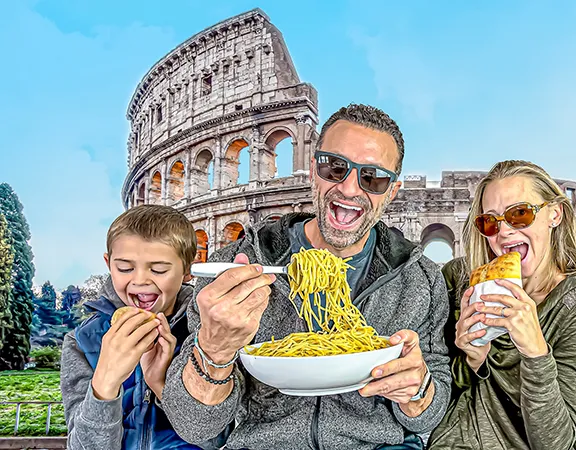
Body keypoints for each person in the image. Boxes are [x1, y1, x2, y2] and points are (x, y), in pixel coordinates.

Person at [161, 104, 451, 450]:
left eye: (372, 177)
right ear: (314, 169)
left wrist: (418, 392)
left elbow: (429, 413)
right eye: (335, 167)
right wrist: (214, 349)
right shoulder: (235, 268)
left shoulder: (421, 279)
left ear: (391, 191)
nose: (348, 188)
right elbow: (193, 425)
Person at [428, 160, 576, 450]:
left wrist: (535, 352)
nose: (504, 232)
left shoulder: (575, 310)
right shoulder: (458, 278)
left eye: (519, 214)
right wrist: (471, 361)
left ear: (554, 214)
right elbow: (432, 397)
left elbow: (556, 443)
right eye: (490, 221)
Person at [61, 205, 206, 449]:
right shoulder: (82, 341)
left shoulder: (207, 334)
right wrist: (105, 381)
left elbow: (215, 439)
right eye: (125, 268)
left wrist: (161, 383)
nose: (139, 280)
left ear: (188, 270)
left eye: (159, 269)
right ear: (108, 264)